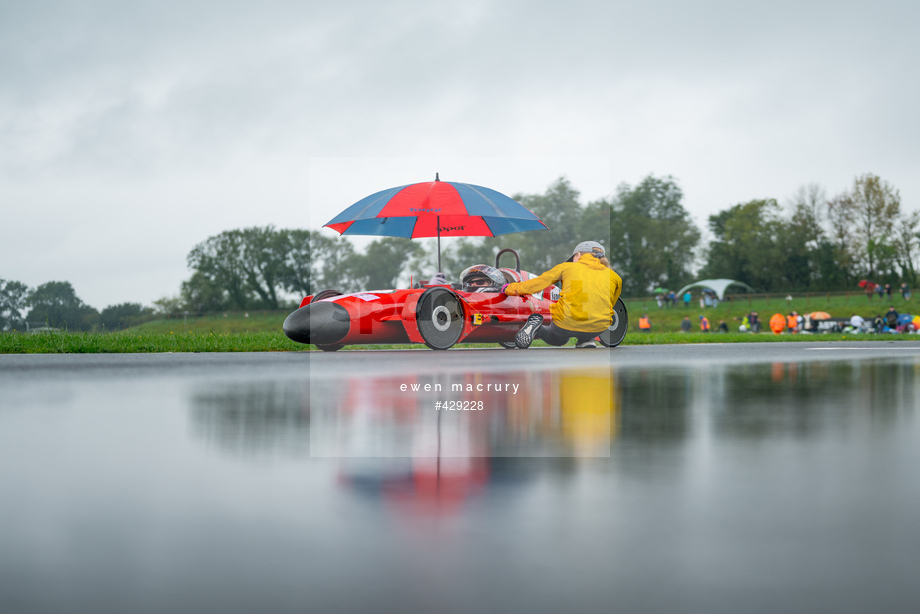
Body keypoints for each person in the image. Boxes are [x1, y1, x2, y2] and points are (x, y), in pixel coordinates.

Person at [502, 241, 622, 349]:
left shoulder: (566, 267)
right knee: (591, 316)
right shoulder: (615, 277)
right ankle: (586, 341)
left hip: (566, 323)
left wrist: (509, 288)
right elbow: (611, 303)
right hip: (599, 327)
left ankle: (538, 328)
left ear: (578, 255)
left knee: (558, 339)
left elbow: (536, 285)